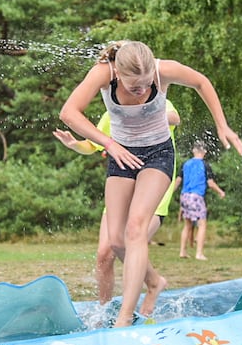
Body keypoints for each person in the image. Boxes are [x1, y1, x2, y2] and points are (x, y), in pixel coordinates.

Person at [59, 40, 242, 327]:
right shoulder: (103, 74)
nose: (143, 91)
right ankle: (155, 281)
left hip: (157, 154)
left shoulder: (162, 70)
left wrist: (222, 124)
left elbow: (201, 82)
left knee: (136, 228)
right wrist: (108, 143)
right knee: (115, 241)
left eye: (147, 85)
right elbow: (69, 112)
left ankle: (124, 319)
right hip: (121, 153)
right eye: (136, 87)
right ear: (119, 74)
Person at [52, 99, 180, 306]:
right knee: (104, 253)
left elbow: (175, 118)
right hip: (121, 186)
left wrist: (142, 116)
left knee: (127, 243)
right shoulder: (111, 114)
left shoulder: (155, 100)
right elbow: (92, 145)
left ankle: (153, 285)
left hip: (153, 184)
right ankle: (104, 310)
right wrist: (75, 144)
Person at [175, 141, 226, 260]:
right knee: (202, 225)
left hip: (184, 195)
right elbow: (210, 183)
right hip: (196, 196)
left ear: (193, 150)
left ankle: (182, 251)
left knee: (187, 225)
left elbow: (178, 181)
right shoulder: (205, 165)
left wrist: (169, 193)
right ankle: (199, 254)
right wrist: (220, 192)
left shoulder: (185, 164)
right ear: (205, 152)